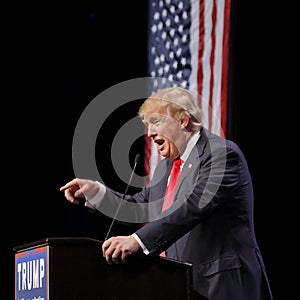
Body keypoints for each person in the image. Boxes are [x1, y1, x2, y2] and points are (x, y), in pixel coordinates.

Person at [60, 86, 273, 300]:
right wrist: (98, 193)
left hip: (222, 285)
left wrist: (137, 241)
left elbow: (193, 206)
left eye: (156, 122)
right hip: (180, 285)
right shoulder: (167, 168)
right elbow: (140, 206)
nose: (150, 133)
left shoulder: (221, 154)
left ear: (183, 120)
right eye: (147, 125)